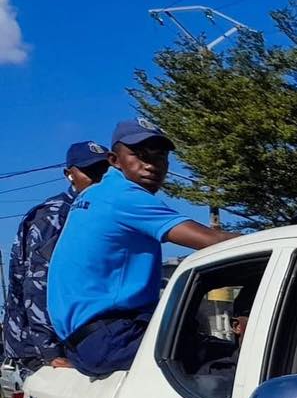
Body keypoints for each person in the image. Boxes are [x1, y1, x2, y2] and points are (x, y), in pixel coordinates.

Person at [46, 118, 236, 377]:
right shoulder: (125, 196)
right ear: (114, 160)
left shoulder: (92, 195)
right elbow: (212, 241)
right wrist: (287, 236)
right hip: (114, 337)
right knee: (238, 362)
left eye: (160, 157)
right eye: (139, 154)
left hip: (85, 343)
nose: (151, 164)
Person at [3, 141, 110, 371]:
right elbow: (38, 285)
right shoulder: (55, 216)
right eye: (89, 172)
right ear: (69, 174)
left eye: (104, 171)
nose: (98, 178)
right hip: (39, 346)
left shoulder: (98, 208)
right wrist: (50, 353)